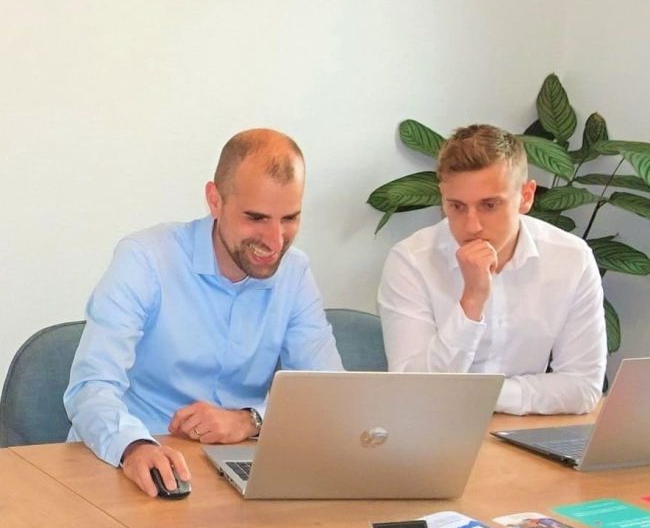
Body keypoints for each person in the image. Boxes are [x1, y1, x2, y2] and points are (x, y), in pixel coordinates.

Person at [64, 128, 342, 496]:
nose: (275, 242)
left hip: (237, 476)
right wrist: (133, 447)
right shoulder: (146, 259)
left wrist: (251, 421)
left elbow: (328, 393)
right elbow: (90, 386)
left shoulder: (295, 272)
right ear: (215, 200)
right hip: (131, 462)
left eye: (289, 218)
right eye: (256, 218)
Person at [378, 124, 606, 415]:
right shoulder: (411, 261)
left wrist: (481, 396)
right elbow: (414, 391)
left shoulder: (571, 258)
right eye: (457, 207)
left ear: (526, 196)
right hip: (435, 430)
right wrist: (471, 301)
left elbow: (583, 387)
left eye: (489, 205)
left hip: (527, 432)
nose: (472, 226)